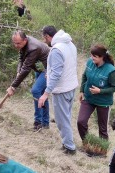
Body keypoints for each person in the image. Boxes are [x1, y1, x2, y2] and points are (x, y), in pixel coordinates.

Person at [38, 26, 78, 155]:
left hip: (62, 89)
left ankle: (69, 147)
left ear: (48, 36)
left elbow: (56, 73)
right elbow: (66, 66)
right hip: (71, 86)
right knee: (66, 117)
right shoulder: (70, 44)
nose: (45, 41)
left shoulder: (56, 50)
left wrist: (45, 93)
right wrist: (49, 75)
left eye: (44, 38)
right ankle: (67, 143)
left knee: (62, 120)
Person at [7, 30, 50, 131]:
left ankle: (38, 122)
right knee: (42, 94)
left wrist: (13, 86)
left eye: (18, 43)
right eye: (14, 43)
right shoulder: (24, 43)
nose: (16, 45)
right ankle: (45, 123)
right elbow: (21, 58)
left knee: (35, 91)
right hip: (38, 69)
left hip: (48, 71)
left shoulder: (33, 47)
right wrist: (18, 72)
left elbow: (26, 69)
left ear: (25, 40)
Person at [77, 44, 115, 142]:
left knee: (102, 129)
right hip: (88, 98)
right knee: (81, 122)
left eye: (94, 56)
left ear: (102, 57)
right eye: (91, 55)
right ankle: (87, 143)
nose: (92, 58)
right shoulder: (89, 62)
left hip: (103, 102)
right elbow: (84, 76)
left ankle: (102, 150)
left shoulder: (110, 70)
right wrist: (82, 90)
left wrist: (100, 91)